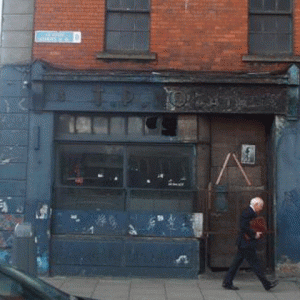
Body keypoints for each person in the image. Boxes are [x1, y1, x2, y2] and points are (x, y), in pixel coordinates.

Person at [222, 197, 278, 291]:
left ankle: (227, 282)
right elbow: (244, 227)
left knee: (236, 264)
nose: (261, 208)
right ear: (255, 205)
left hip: (244, 243)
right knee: (255, 264)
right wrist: (254, 234)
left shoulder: (250, 212)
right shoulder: (248, 212)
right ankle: (267, 284)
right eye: (260, 206)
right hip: (246, 243)